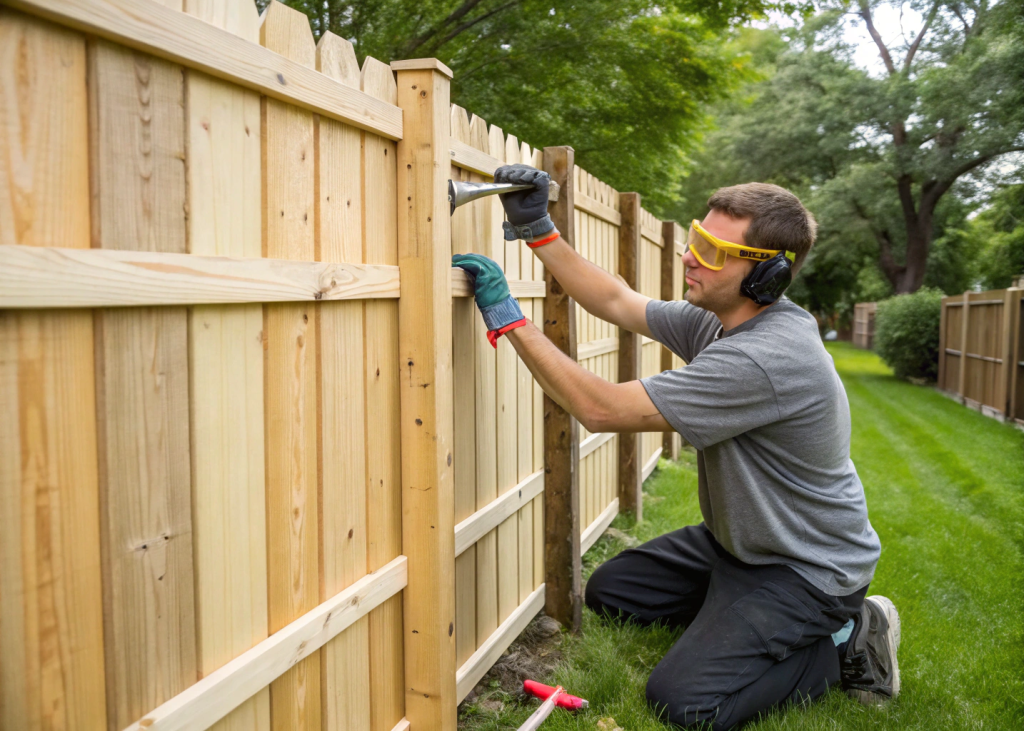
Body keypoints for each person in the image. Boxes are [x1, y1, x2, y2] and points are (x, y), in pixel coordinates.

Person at [452, 165, 900, 730]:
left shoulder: (765, 357)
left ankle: (846, 642)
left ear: (768, 276)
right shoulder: (722, 322)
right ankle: (736, 617)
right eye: (696, 239)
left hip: (808, 570)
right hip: (741, 548)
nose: (691, 257)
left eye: (714, 250)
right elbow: (617, 300)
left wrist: (506, 316)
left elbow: (602, 409)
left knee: (682, 702)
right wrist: (539, 228)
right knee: (614, 593)